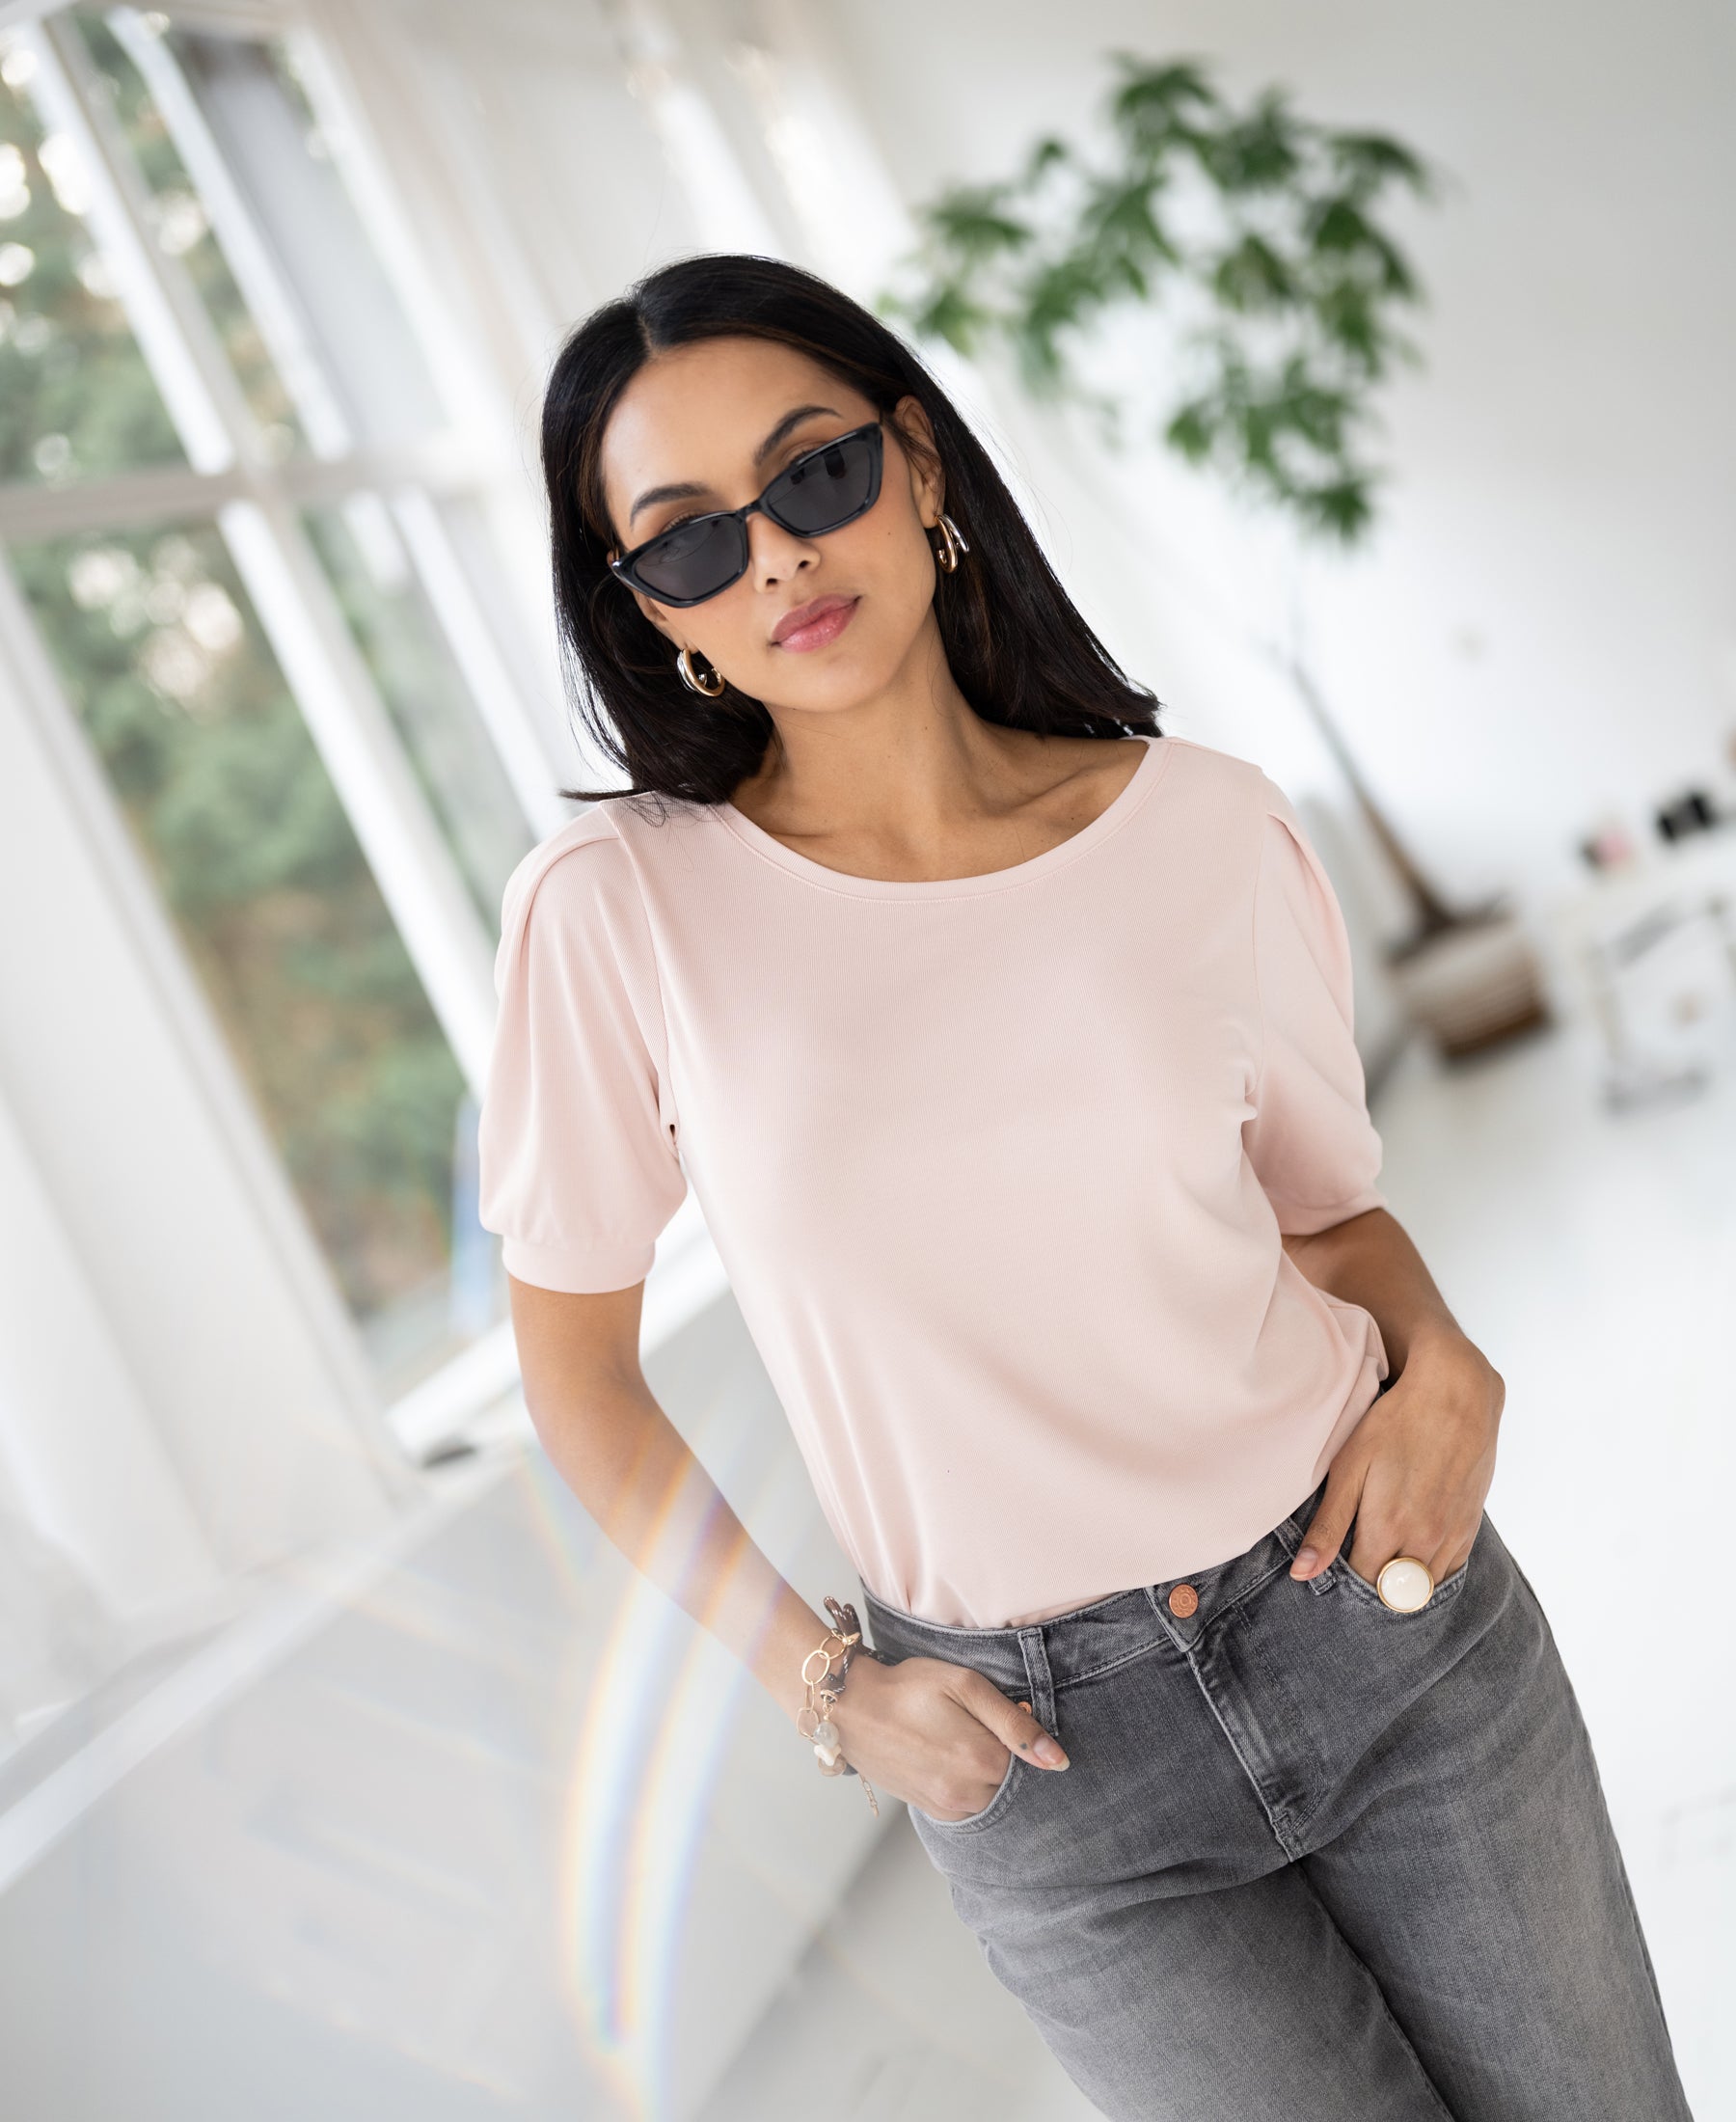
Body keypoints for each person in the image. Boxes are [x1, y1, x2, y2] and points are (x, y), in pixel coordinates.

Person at [476, 253, 1692, 2122]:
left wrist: (1442, 1361)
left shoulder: (1199, 822)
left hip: (1382, 1623)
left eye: (813, 476)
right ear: (651, 619)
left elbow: (1326, 1218)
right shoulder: (618, 915)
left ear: (921, 465)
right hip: (1048, 1765)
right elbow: (577, 1368)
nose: (779, 558)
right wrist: (824, 1685)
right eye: (689, 542)